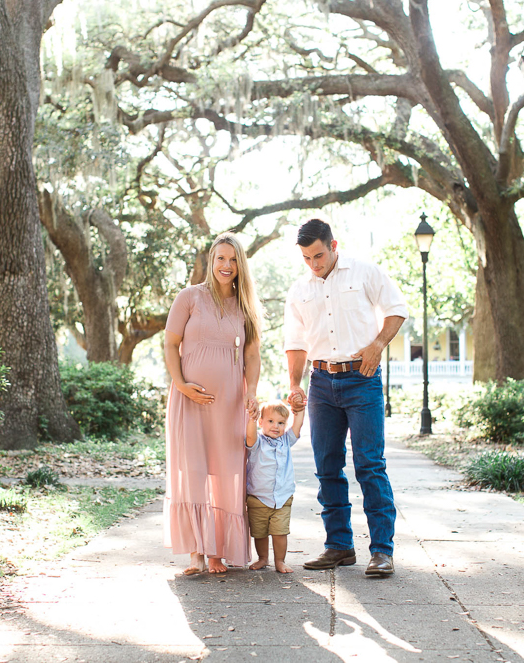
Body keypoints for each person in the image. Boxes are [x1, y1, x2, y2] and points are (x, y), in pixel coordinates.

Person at [283, 218, 407, 577]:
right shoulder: (299, 290)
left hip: (362, 378)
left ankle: (382, 551)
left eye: (318, 255)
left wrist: (378, 344)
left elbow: (397, 308)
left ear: (334, 245)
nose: (314, 264)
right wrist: (295, 384)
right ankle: (338, 546)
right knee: (327, 466)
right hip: (321, 382)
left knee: (369, 464)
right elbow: (295, 341)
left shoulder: (365, 272)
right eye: (306, 258)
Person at [163, 233, 262, 575]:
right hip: (189, 401)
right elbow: (170, 344)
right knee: (193, 470)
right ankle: (195, 553)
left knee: (225, 470)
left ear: (240, 265)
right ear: (210, 260)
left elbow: (251, 354)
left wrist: (251, 393)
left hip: (230, 403)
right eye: (220, 258)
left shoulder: (244, 307)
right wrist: (181, 384)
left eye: (233, 260)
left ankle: (217, 550)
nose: (226, 265)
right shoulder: (189, 298)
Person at [245, 399, 305, 573]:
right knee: (260, 533)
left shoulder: (286, 440)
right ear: (261, 422)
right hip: (258, 498)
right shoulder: (258, 443)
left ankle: (280, 561)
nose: (276, 426)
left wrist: (299, 409)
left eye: (281, 423)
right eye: (270, 421)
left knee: (280, 533)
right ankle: (263, 558)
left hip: (282, 497)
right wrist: (251, 419)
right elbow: (250, 436)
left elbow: (297, 426)